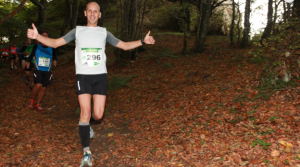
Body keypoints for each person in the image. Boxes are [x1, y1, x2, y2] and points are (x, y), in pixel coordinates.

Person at [27, 2, 155, 166]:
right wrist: (37, 36)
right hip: (83, 77)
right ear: (85, 13)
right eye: (90, 11)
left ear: (99, 15)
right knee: (85, 112)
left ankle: (87, 125)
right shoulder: (78, 31)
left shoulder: (104, 33)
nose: (93, 13)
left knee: (98, 115)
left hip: (100, 76)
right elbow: (56, 43)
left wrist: (142, 41)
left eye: (96, 11)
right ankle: (86, 153)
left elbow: (123, 45)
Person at [26, 31, 57, 111]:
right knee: (38, 85)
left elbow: (55, 55)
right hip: (38, 68)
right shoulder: (37, 46)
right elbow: (32, 54)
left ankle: (37, 104)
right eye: (42, 35)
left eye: (46, 35)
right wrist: (28, 62)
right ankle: (32, 101)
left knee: (43, 88)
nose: (44, 36)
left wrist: (55, 60)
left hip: (47, 69)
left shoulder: (52, 46)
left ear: (48, 37)